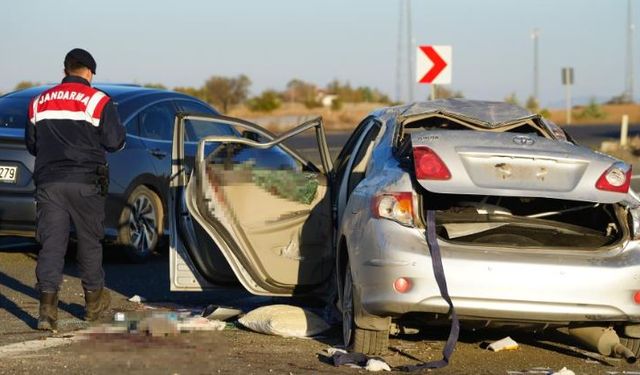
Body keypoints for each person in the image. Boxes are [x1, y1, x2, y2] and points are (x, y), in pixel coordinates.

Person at [25, 48, 126, 331]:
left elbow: (32, 144)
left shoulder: (38, 102)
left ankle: (46, 312)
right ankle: (93, 305)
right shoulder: (98, 101)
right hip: (86, 183)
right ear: (90, 72)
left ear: (65, 70)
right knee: (89, 243)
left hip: (49, 184)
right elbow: (115, 143)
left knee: (51, 245)